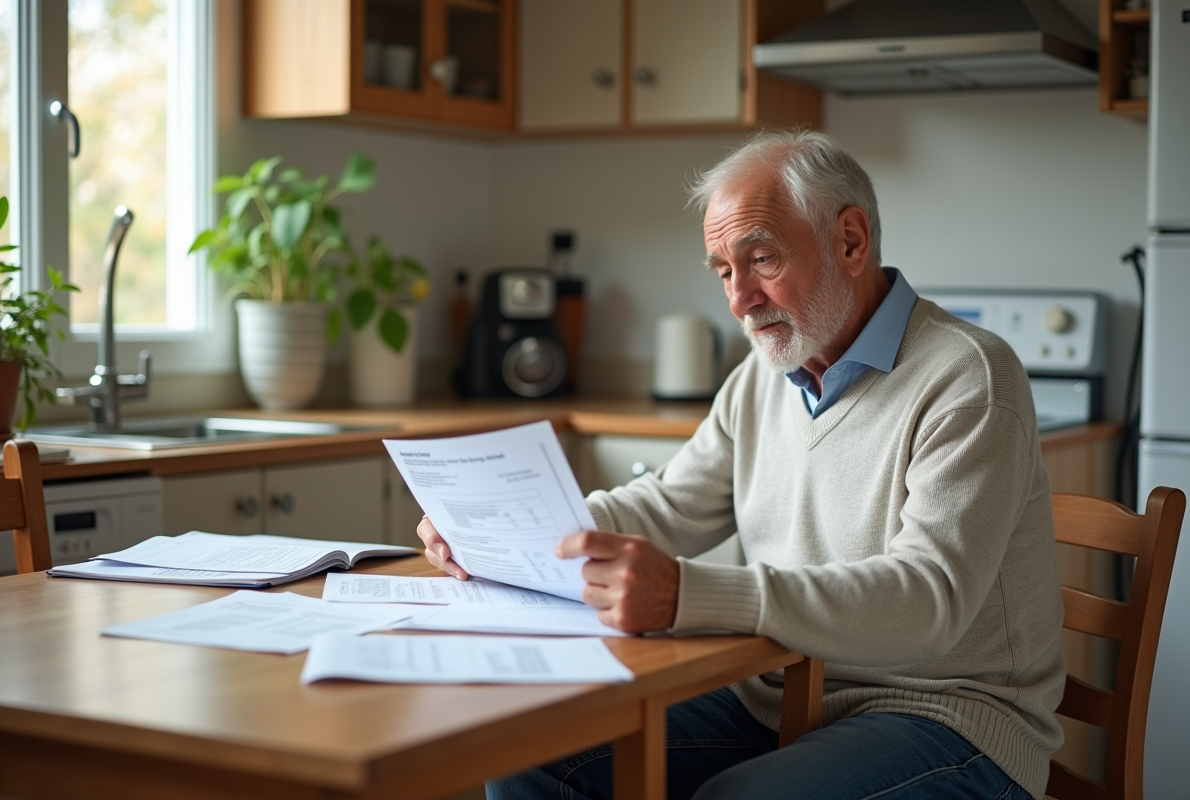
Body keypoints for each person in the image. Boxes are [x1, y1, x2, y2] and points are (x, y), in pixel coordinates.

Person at [417, 129, 1066, 800]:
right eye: (724, 270)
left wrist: (690, 595)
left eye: (760, 259)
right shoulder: (763, 376)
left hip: (948, 719)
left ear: (850, 241)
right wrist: (502, 522)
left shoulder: (968, 375)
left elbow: (931, 599)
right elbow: (670, 506)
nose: (739, 299)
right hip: (780, 697)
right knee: (531, 751)